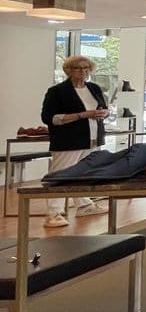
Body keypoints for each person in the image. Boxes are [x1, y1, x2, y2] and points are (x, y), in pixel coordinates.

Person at [39, 55, 110, 227]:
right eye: (78, 68)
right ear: (69, 70)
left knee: (83, 173)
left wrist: (104, 113)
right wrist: (83, 115)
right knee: (61, 174)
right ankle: (53, 212)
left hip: (92, 138)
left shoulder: (94, 88)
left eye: (86, 68)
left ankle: (84, 204)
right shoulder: (57, 92)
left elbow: (101, 108)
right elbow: (49, 118)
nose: (83, 71)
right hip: (68, 140)